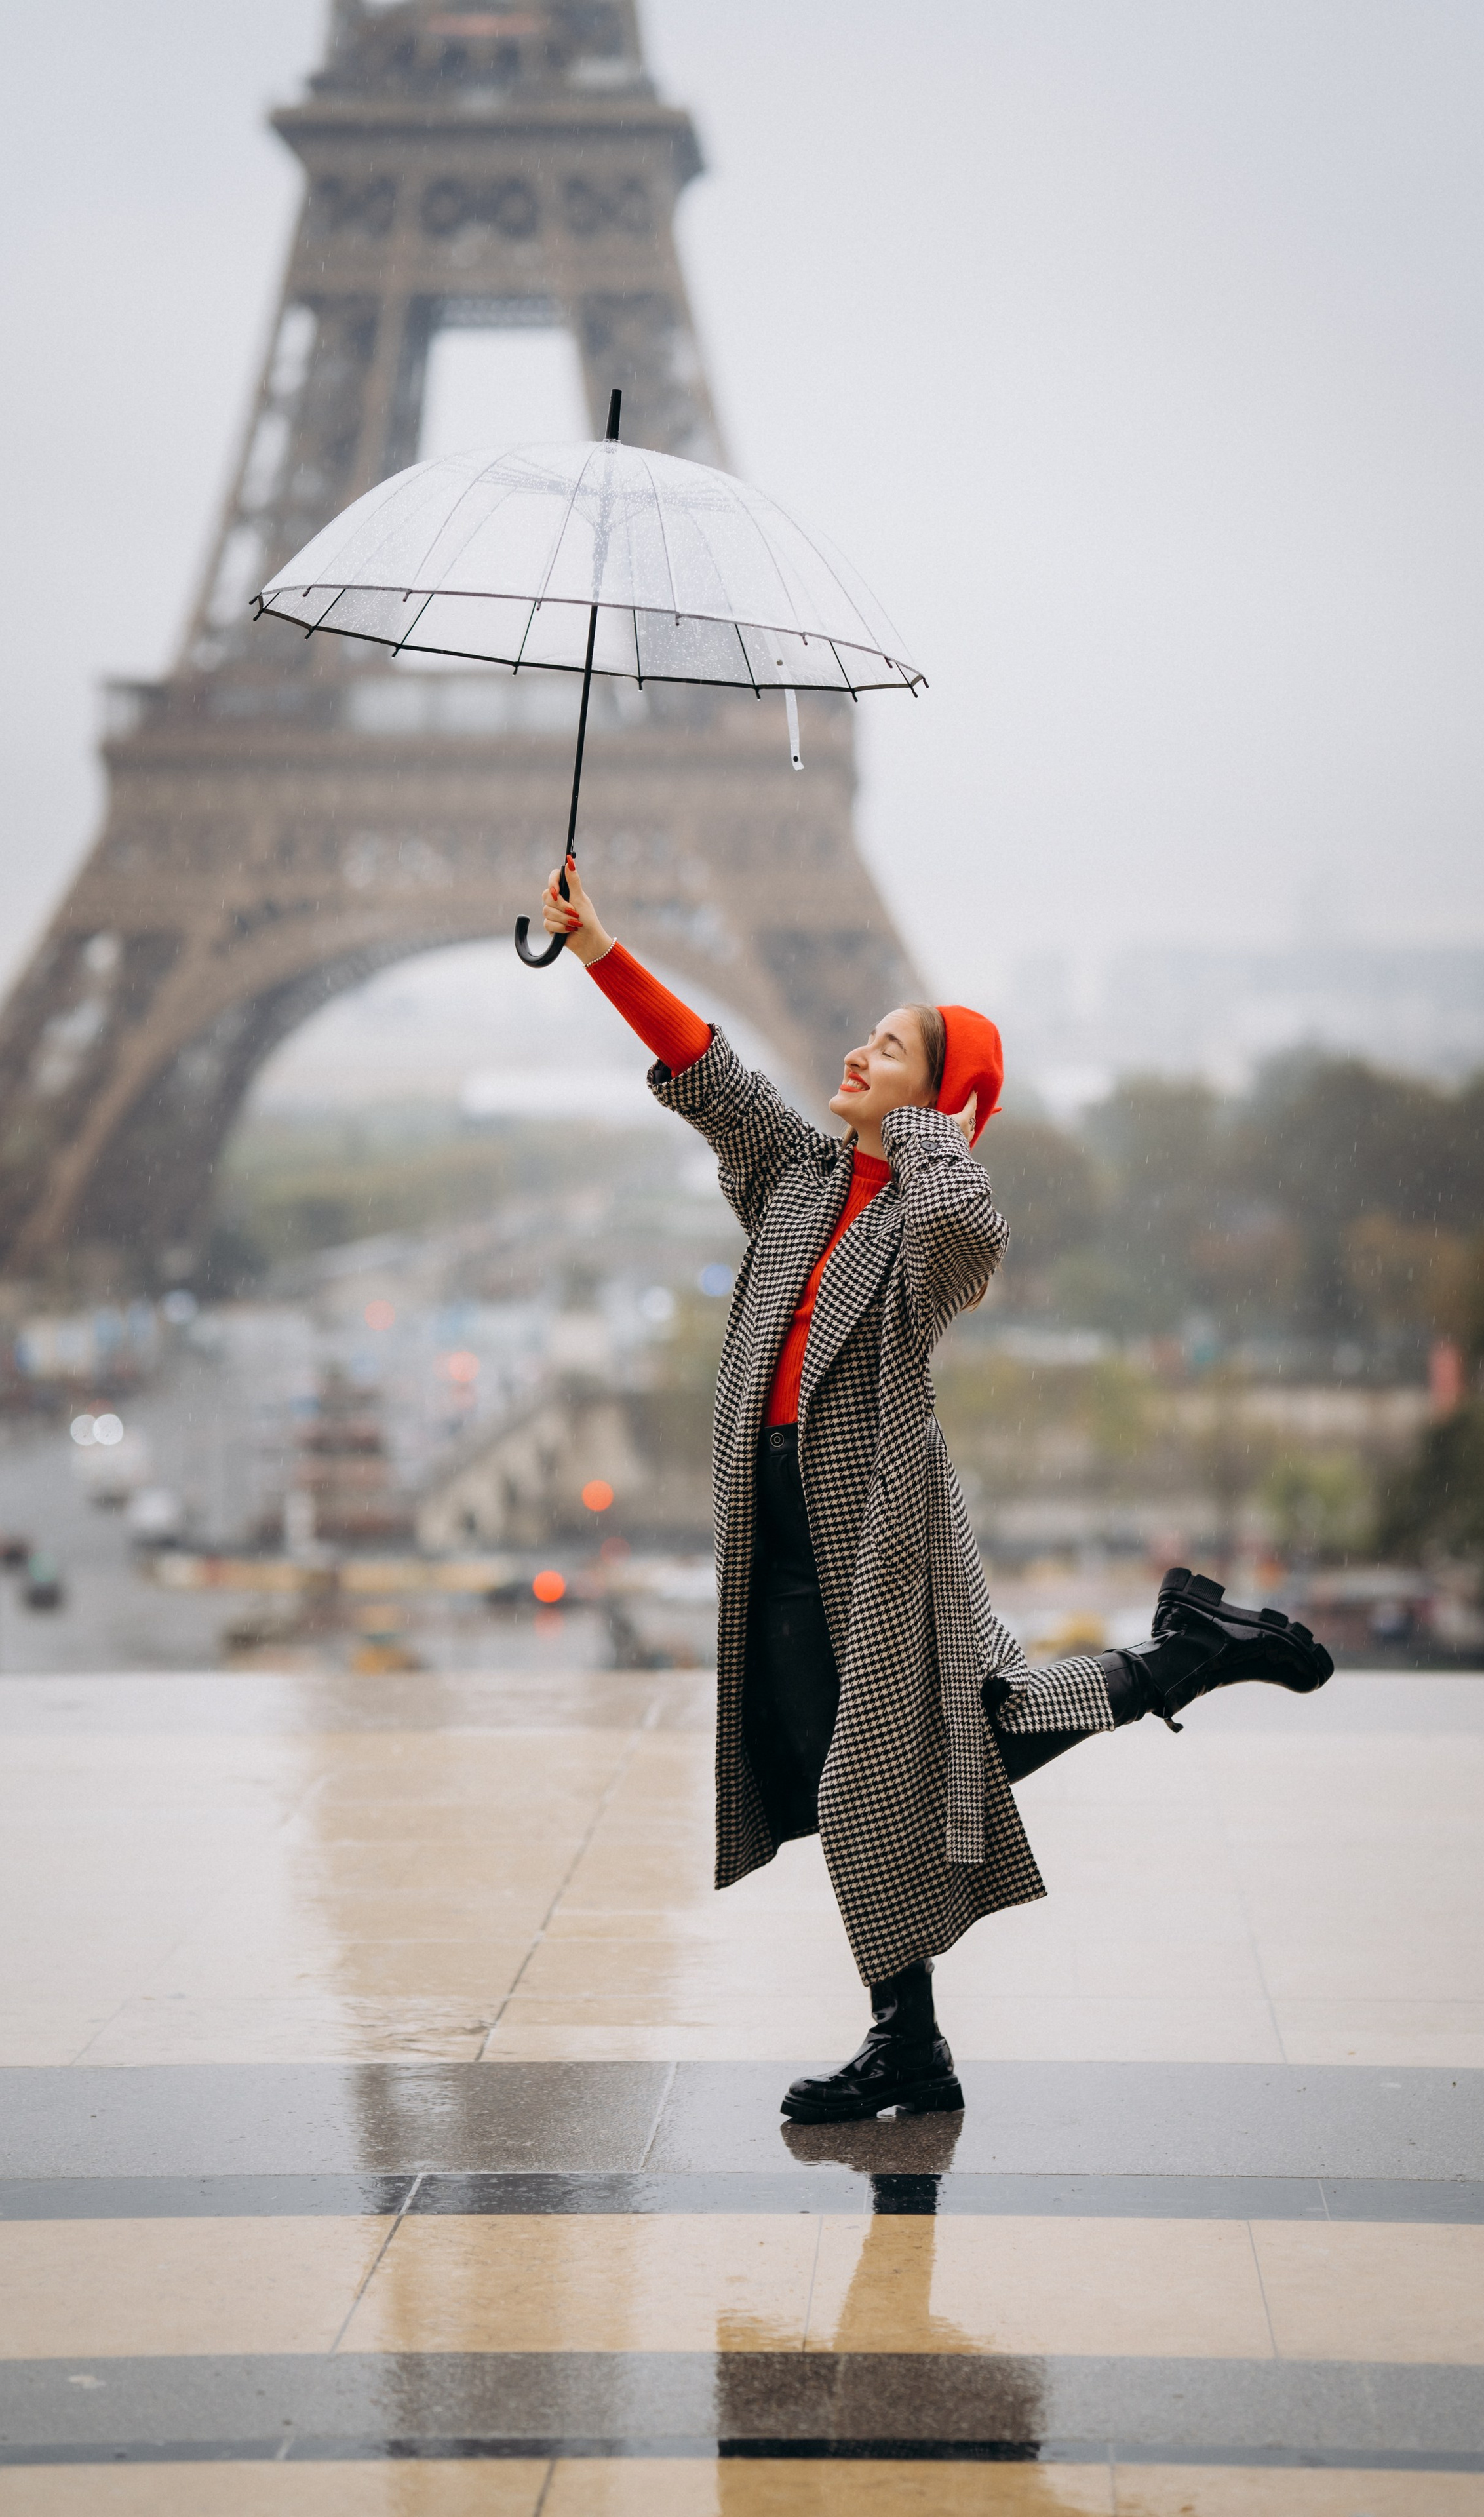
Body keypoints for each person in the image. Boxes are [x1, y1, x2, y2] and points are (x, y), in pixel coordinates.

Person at [539, 860, 1332, 2124]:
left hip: (884, 1537)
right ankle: (1174, 1669)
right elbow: (709, 1075)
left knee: (882, 1772)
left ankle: (916, 2031)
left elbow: (969, 1222)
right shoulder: (799, 1178)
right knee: (890, 1754)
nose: (856, 1053)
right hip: (785, 1530)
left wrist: (937, 1122)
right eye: (866, 1038)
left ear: (938, 1098)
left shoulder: (933, 1225)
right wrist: (599, 949)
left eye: (890, 1049)